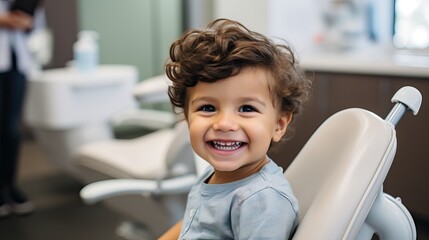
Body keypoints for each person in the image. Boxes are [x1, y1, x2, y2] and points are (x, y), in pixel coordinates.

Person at [159, 18, 312, 239]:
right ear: (187, 118)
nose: (224, 124)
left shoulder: (262, 201)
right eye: (208, 107)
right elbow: (193, 220)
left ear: (278, 125)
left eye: (247, 108)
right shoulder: (215, 174)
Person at [0, 0, 45, 217]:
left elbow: (36, 26)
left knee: (12, 129)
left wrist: (26, 23)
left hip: (18, 63)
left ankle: (9, 186)